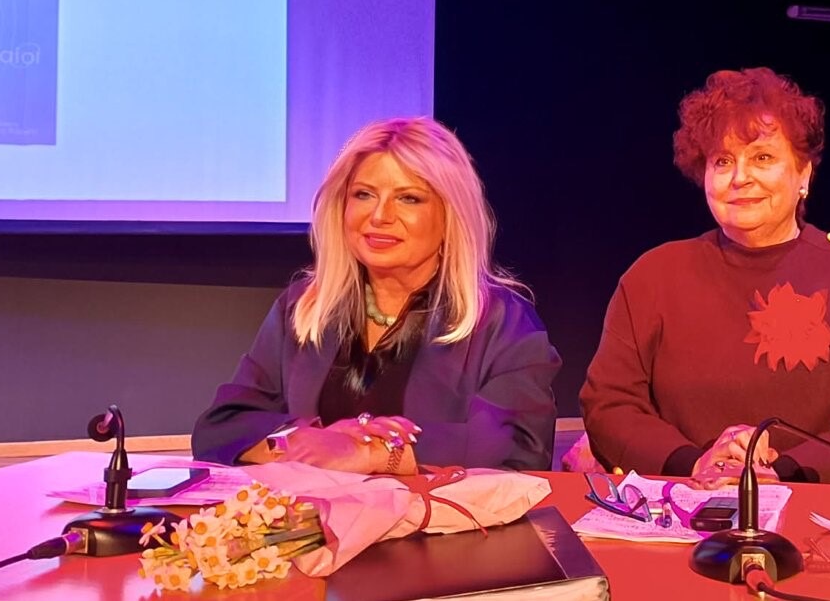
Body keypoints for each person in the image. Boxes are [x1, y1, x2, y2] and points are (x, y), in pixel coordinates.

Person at [580, 67, 830, 486]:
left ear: (803, 174)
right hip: (679, 504)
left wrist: (779, 473)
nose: (740, 177)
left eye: (762, 157)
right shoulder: (653, 276)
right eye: (723, 161)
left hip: (812, 506)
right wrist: (695, 464)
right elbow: (610, 404)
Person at [193, 116, 562, 474]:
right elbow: (221, 428)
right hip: (312, 512)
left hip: (434, 516)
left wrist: (370, 453)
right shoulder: (303, 306)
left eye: (409, 198)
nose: (380, 215)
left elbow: (519, 448)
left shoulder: (502, 319)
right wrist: (308, 439)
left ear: (451, 216)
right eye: (364, 194)